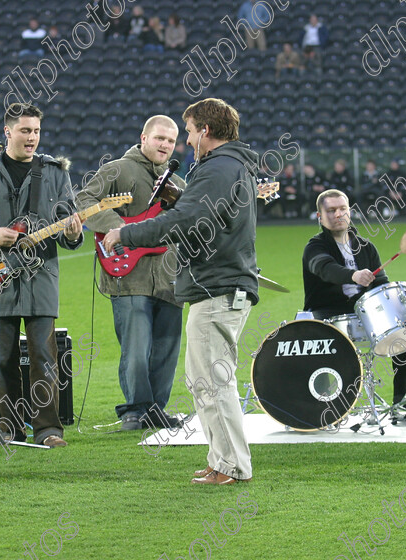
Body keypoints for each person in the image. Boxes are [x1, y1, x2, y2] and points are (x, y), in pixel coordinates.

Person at [103, 98, 258, 485]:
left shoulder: (219, 167)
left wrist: (127, 233)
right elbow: (202, 215)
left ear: (205, 130)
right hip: (221, 286)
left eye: (189, 131)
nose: (187, 140)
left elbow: (187, 220)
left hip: (218, 287)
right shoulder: (229, 166)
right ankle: (222, 458)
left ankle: (231, 467)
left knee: (211, 381)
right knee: (205, 379)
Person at [0, 103, 82, 448]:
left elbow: (70, 232)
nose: (32, 138)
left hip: (41, 280)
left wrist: (71, 232)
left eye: (36, 131)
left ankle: (48, 429)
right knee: (2, 358)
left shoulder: (56, 172)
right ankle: (8, 428)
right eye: (25, 131)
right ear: (7, 131)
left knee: (45, 356)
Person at [75, 116, 186, 431]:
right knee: (136, 349)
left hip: (169, 278)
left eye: (170, 140)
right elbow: (83, 199)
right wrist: (121, 229)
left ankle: (155, 411)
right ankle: (135, 410)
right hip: (128, 275)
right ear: (144, 137)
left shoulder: (178, 182)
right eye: (159, 138)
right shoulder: (119, 168)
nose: (165, 145)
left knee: (166, 349)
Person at [303, 189, 406, 414]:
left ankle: (404, 401)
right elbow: (324, 268)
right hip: (327, 313)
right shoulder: (315, 247)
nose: (338, 214)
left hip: (363, 311)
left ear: (350, 212)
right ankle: (327, 406)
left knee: (403, 333)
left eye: (342, 209)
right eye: (331, 210)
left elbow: (381, 284)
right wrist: (353, 275)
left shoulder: (365, 247)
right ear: (320, 216)